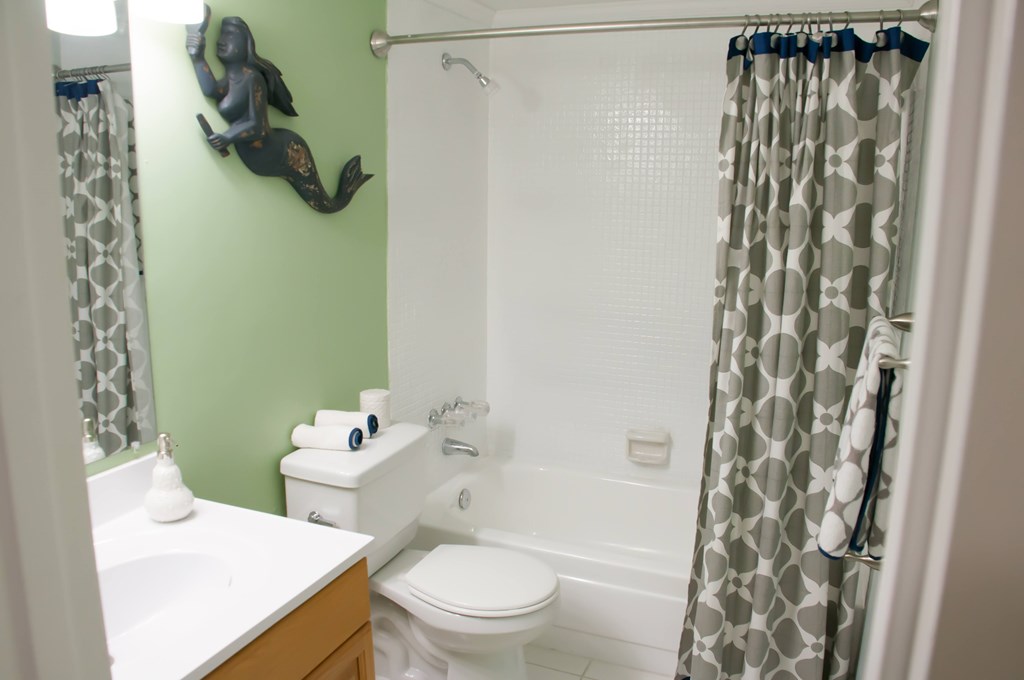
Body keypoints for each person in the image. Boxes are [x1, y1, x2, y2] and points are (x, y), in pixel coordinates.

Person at [185, 7, 371, 213]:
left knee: (321, 200)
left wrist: (227, 137)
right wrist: (198, 57)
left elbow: (258, 127)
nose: (221, 40)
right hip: (257, 156)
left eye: (229, 35)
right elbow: (211, 89)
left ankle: (344, 195)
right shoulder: (233, 78)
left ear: (244, 43)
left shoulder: (252, 78)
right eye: (221, 35)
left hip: (283, 152)